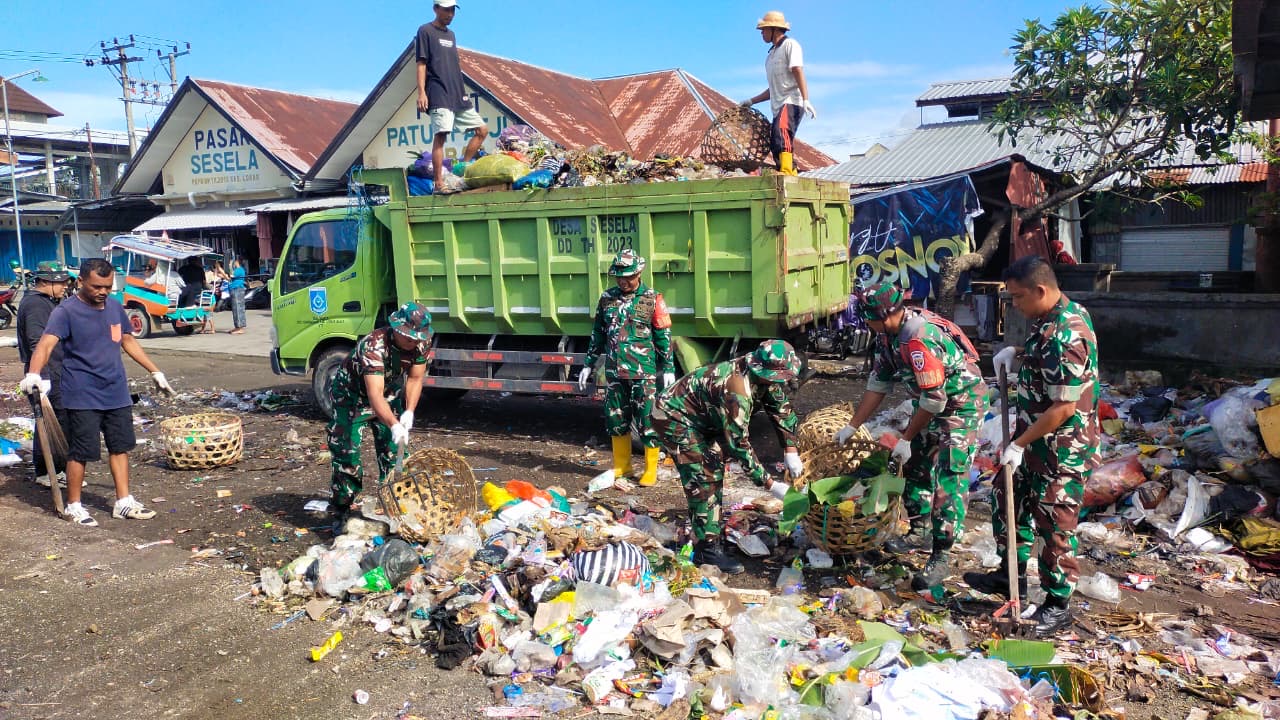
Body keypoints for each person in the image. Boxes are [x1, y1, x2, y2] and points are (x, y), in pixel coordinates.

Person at [966, 256, 1100, 636]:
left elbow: (1064, 407)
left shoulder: (1068, 333)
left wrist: (1019, 444)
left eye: (1017, 297)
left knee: (1054, 525)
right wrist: (1019, 353)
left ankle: (1058, 605)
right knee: (1007, 498)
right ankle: (1011, 575)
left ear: (1040, 290)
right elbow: (1044, 358)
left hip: (1061, 449)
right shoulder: (1048, 319)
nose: (1014, 305)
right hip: (1034, 441)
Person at [834, 281, 988, 592]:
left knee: (949, 477)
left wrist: (905, 437)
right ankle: (920, 530)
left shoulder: (919, 339)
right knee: (915, 465)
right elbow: (878, 384)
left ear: (883, 315)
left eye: (868, 319)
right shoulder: (887, 336)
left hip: (961, 407)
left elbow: (935, 400)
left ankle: (941, 554)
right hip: (928, 404)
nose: (866, 324)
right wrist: (852, 426)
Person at [21, 258, 175, 526]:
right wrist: (34, 373)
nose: (103, 291)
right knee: (80, 451)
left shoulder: (114, 307)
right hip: (81, 393)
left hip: (116, 390)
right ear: (81, 281)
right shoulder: (66, 311)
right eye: (96, 286)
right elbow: (45, 345)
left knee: (120, 446)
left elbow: (127, 340)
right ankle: (74, 505)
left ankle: (123, 502)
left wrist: (155, 371)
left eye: (108, 286)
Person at [652, 340, 805, 574]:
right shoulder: (737, 390)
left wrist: (790, 450)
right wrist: (770, 485)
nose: (784, 381)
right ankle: (706, 550)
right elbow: (739, 445)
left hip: (702, 416)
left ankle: (708, 528)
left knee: (712, 467)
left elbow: (780, 408)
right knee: (704, 476)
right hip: (674, 417)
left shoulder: (760, 375)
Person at [326, 302, 433, 526]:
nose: (414, 342)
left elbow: (415, 379)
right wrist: (393, 424)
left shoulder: (421, 342)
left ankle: (394, 506)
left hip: (388, 392)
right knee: (347, 454)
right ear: (397, 329)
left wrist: (409, 412)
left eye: (417, 338)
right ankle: (340, 508)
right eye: (409, 338)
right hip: (351, 397)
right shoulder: (375, 346)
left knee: (396, 453)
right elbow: (374, 395)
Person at [578, 250, 674, 487]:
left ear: (639, 273)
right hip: (615, 371)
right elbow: (598, 333)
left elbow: (663, 336)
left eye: (628, 276)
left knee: (647, 419)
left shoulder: (652, 298)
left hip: (643, 372)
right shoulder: (607, 298)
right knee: (616, 417)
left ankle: (650, 469)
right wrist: (589, 363)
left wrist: (668, 367)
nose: (623, 281)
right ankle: (623, 466)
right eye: (619, 277)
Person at [415, 0, 489, 187]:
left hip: (457, 92)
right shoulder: (425, 31)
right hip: (438, 92)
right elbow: (421, 64)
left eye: (453, 10)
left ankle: (462, 169)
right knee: (441, 135)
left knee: (482, 130)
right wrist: (422, 92)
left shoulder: (451, 35)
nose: (450, 14)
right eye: (446, 10)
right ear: (436, 9)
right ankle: (439, 183)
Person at [15, 261, 72, 488]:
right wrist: (41, 375)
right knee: (49, 422)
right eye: (61, 283)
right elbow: (36, 342)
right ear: (47, 282)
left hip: (58, 370)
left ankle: (58, 469)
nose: (65, 287)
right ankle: (46, 470)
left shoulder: (49, 302)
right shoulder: (35, 305)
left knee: (59, 421)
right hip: (47, 373)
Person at [740, 10, 816, 176]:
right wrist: (751, 101)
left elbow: (797, 70)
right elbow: (773, 89)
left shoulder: (790, 45)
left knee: (781, 132)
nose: (761, 33)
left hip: (792, 101)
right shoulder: (770, 57)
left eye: (764, 29)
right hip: (778, 105)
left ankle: (787, 171)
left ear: (774, 29)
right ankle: (789, 171)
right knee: (775, 142)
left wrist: (806, 99)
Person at [226, 258, 247, 334]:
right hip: (235, 289)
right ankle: (237, 327)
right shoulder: (238, 270)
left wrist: (229, 266)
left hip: (237, 289)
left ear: (237, 262)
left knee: (238, 308)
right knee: (235, 308)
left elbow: (230, 275)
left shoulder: (239, 270)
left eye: (234, 262)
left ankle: (240, 328)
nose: (234, 263)